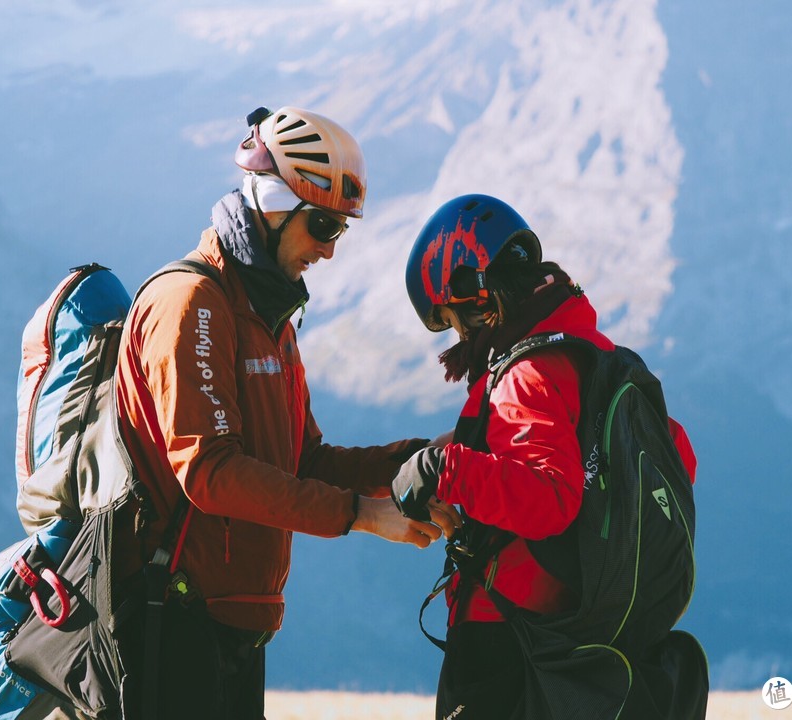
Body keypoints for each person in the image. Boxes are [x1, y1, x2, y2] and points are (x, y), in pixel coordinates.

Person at [114, 106, 460, 719]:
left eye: (340, 234)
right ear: (273, 205)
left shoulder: (270, 317)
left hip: (234, 624)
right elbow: (209, 472)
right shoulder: (192, 302)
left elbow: (306, 461)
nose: (329, 252)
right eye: (323, 227)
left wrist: (419, 461)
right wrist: (361, 515)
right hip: (171, 620)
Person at [392, 194, 700, 719]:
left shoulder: (526, 372)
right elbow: (677, 456)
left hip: (509, 634)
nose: (460, 338)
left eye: (452, 321)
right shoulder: (596, 357)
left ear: (471, 293)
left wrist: (443, 471)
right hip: (574, 629)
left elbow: (550, 498)